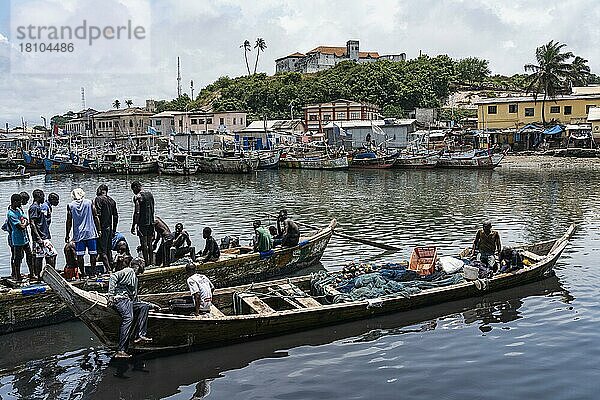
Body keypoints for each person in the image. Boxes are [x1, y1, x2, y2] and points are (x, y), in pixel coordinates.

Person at [107, 257, 152, 358]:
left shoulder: (135, 278)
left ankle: (140, 335)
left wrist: (152, 306)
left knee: (144, 307)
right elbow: (113, 276)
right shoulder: (128, 271)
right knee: (128, 318)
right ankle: (121, 350)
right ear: (139, 264)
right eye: (144, 264)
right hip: (120, 299)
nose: (144, 266)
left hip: (128, 301)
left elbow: (135, 300)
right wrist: (110, 296)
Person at [66, 188, 102, 277]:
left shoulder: (70, 205)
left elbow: (69, 221)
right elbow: (95, 216)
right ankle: (93, 273)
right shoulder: (89, 202)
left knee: (80, 255)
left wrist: (67, 234)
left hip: (78, 234)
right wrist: (99, 230)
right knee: (93, 253)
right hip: (90, 233)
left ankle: (82, 273)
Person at [29, 189, 57, 281]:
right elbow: (32, 223)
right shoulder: (35, 207)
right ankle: (50, 276)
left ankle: (41, 277)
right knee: (52, 254)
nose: (44, 198)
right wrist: (39, 238)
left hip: (42, 236)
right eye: (42, 196)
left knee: (40, 256)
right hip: (41, 237)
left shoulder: (38, 207)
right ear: (38, 197)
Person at [7, 193, 31, 281]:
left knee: (29, 254)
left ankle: (32, 274)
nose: (21, 204)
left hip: (24, 238)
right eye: (19, 202)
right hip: (17, 239)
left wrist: (24, 222)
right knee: (17, 258)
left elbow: (26, 219)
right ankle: (17, 276)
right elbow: (20, 226)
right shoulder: (10, 213)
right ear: (15, 202)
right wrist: (24, 223)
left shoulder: (18, 210)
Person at [94, 184, 118, 273]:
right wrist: (114, 230)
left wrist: (98, 229)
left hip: (102, 229)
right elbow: (116, 217)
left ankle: (108, 270)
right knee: (108, 250)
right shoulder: (112, 200)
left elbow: (98, 215)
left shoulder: (98, 199)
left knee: (101, 251)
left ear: (100, 190)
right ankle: (111, 267)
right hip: (109, 228)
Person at [130, 181, 155, 268]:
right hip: (151, 222)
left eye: (133, 189)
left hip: (143, 223)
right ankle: (152, 263)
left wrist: (134, 225)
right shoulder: (150, 194)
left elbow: (137, 212)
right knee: (150, 243)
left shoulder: (138, 197)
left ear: (136, 187)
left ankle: (147, 264)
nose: (133, 192)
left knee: (143, 244)